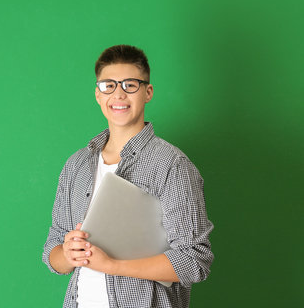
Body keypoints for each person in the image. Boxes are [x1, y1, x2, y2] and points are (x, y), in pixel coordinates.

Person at [42, 45, 214, 308]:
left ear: (148, 92)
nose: (118, 94)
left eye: (130, 85)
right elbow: (53, 253)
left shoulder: (172, 165)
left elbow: (193, 261)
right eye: (108, 85)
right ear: (98, 95)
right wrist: (67, 254)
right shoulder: (76, 165)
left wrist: (112, 265)